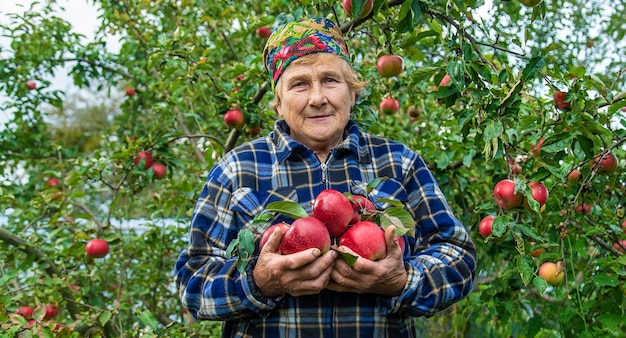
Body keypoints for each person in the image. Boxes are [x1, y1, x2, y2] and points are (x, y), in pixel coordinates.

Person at [174, 17, 476, 337]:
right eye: (300, 84)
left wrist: (401, 282)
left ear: (352, 93)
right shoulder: (237, 170)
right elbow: (193, 281)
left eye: (330, 80)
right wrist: (256, 283)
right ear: (278, 103)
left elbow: (459, 258)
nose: (317, 98)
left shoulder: (398, 164)